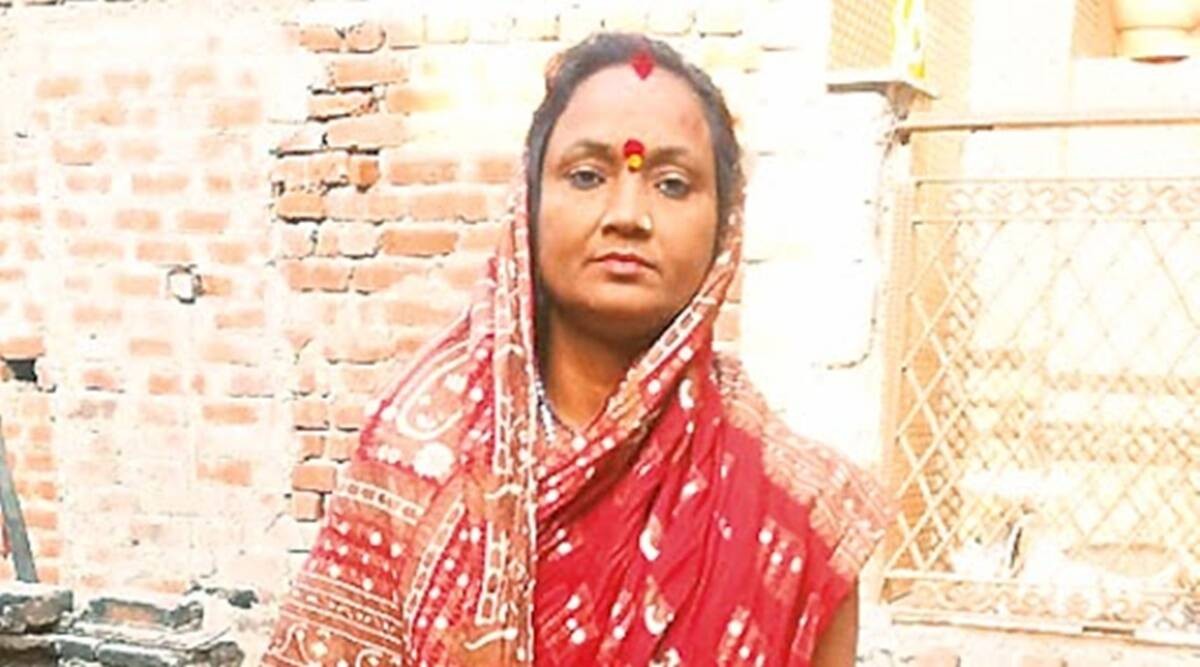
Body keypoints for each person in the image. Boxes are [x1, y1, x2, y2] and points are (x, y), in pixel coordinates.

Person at [263, 32, 890, 666]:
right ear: (529, 202)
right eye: (587, 176)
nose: (628, 215)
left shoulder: (799, 514)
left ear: (724, 223)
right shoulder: (419, 450)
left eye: (673, 184)